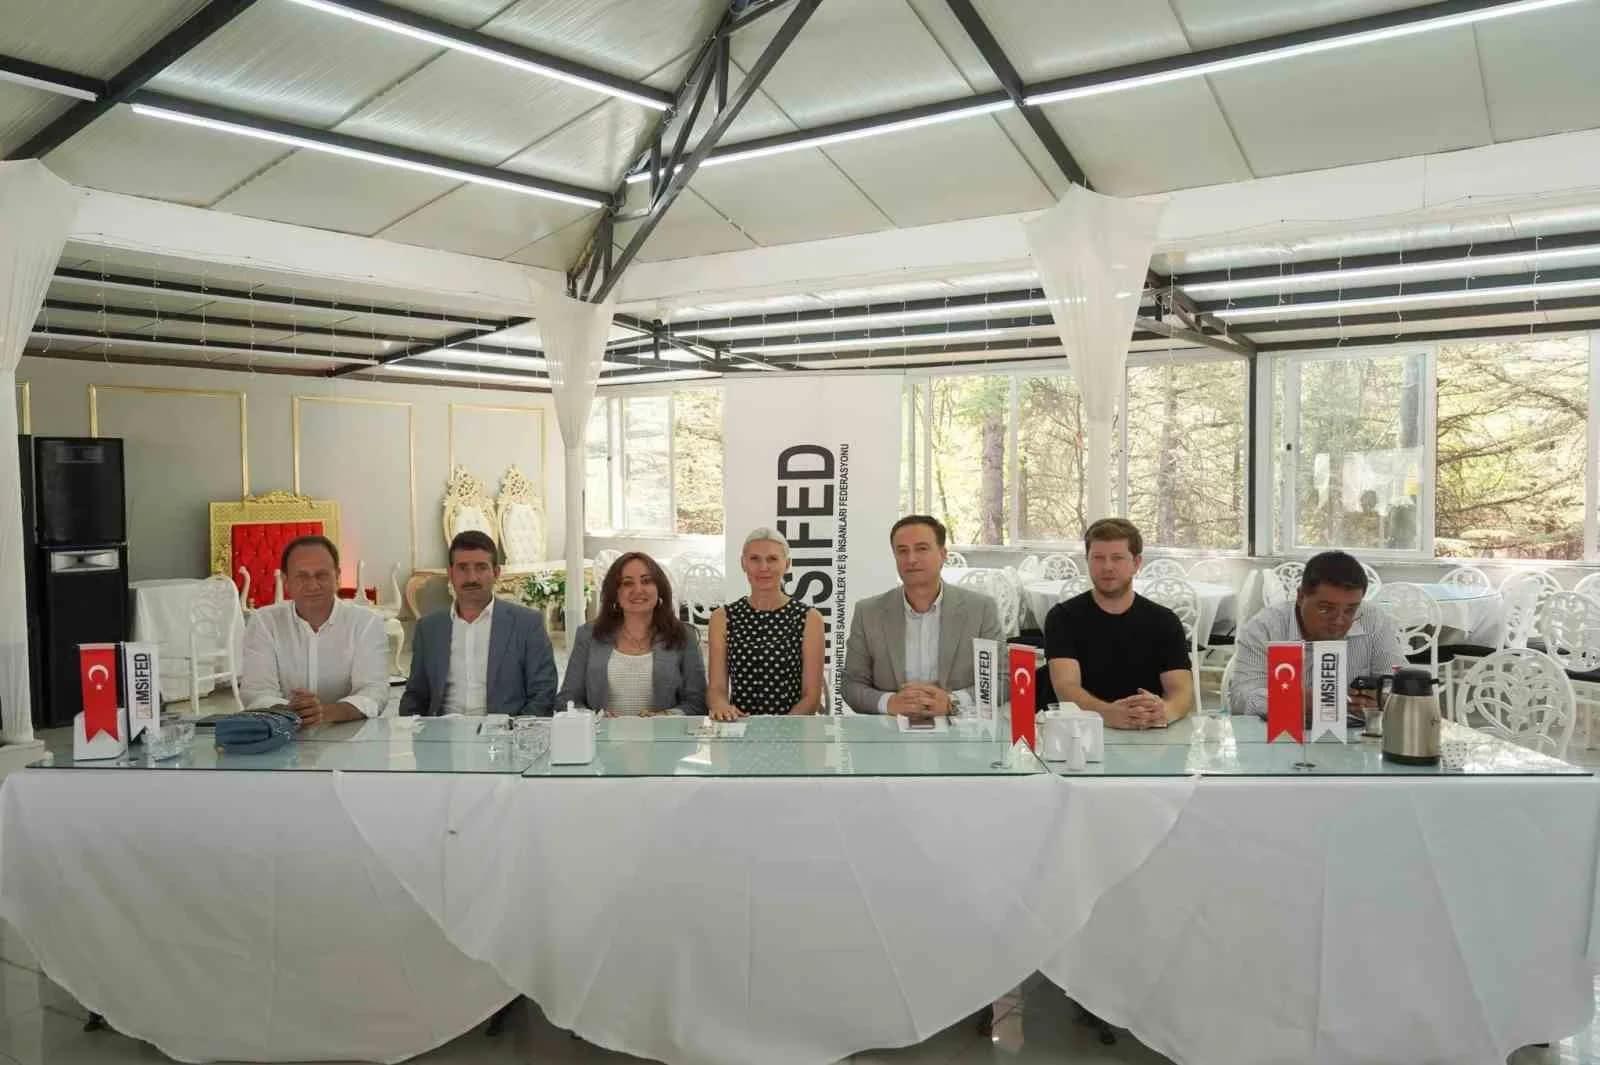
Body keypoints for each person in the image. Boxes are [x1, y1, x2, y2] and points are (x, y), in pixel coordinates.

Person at [843, 515, 1002, 717]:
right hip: (890, 728)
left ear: (943, 554)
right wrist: (889, 703)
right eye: (902, 551)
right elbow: (851, 684)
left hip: (958, 727)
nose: (911, 559)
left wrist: (953, 702)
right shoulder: (868, 613)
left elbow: (1002, 679)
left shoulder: (980, 609)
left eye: (922, 548)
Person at [1046, 518, 1193, 730]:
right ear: (1087, 561)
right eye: (1098, 558)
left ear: (1136, 563)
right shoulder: (1062, 618)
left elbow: (1181, 691)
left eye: (1117, 558)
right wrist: (1106, 713)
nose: (1107, 567)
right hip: (1082, 731)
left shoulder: (1165, 621)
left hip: (1148, 734)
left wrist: (1165, 712)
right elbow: (1066, 688)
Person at [1229, 549, 1407, 719]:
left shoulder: (1373, 620)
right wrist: (1295, 699)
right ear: (1301, 597)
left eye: (1350, 610)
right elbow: (1242, 698)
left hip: (1355, 734)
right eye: (1325, 609)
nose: (1339, 620)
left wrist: (1381, 699)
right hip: (1280, 734)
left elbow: (1400, 684)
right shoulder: (1264, 628)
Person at [399, 530, 558, 717]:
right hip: (443, 729)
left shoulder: (527, 624)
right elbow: (415, 695)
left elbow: (543, 694)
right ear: (450, 573)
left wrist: (513, 731)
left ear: (496, 572)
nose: (472, 578)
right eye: (462, 568)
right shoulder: (429, 628)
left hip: (505, 730)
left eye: (481, 567)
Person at [240, 534, 390, 726]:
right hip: (281, 730)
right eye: (302, 576)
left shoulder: (366, 623)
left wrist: (325, 713)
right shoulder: (264, 622)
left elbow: (374, 691)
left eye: (322, 575)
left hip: (350, 732)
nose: (312, 585)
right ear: (286, 581)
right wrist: (293, 713)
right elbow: (256, 692)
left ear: (337, 577)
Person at [557, 552, 707, 715]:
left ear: (659, 589)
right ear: (615, 593)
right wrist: (593, 717)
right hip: (601, 731)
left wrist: (666, 717)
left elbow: (698, 703)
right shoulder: (588, 635)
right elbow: (567, 700)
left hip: (664, 731)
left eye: (646, 581)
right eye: (627, 583)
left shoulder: (684, 636)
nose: (638, 590)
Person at [708, 528, 825, 720]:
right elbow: (717, 688)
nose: (763, 567)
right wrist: (721, 705)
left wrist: (782, 728)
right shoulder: (722, 618)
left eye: (772, 559)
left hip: (792, 728)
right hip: (739, 727)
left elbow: (811, 697)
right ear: (743, 563)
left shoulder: (810, 618)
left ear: (787, 564)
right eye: (755, 559)